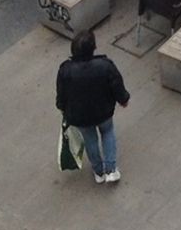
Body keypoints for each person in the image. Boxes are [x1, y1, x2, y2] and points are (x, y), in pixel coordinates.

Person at [56, 30, 130, 184]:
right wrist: (123, 99)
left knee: (90, 140)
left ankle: (99, 171)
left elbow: (62, 93)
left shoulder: (65, 70)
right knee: (107, 133)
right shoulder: (105, 65)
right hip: (104, 111)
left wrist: (62, 107)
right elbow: (116, 85)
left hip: (80, 116)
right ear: (93, 47)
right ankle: (111, 169)